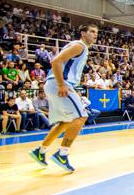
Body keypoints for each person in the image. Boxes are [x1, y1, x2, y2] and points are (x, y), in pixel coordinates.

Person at [29, 24, 98, 172]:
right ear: (83, 33)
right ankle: (62, 154)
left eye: (96, 32)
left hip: (54, 83)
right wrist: (61, 84)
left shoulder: (77, 46)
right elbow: (55, 61)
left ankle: (40, 151)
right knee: (81, 117)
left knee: (66, 122)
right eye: (92, 31)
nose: (95, 35)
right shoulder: (80, 45)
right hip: (58, 83)